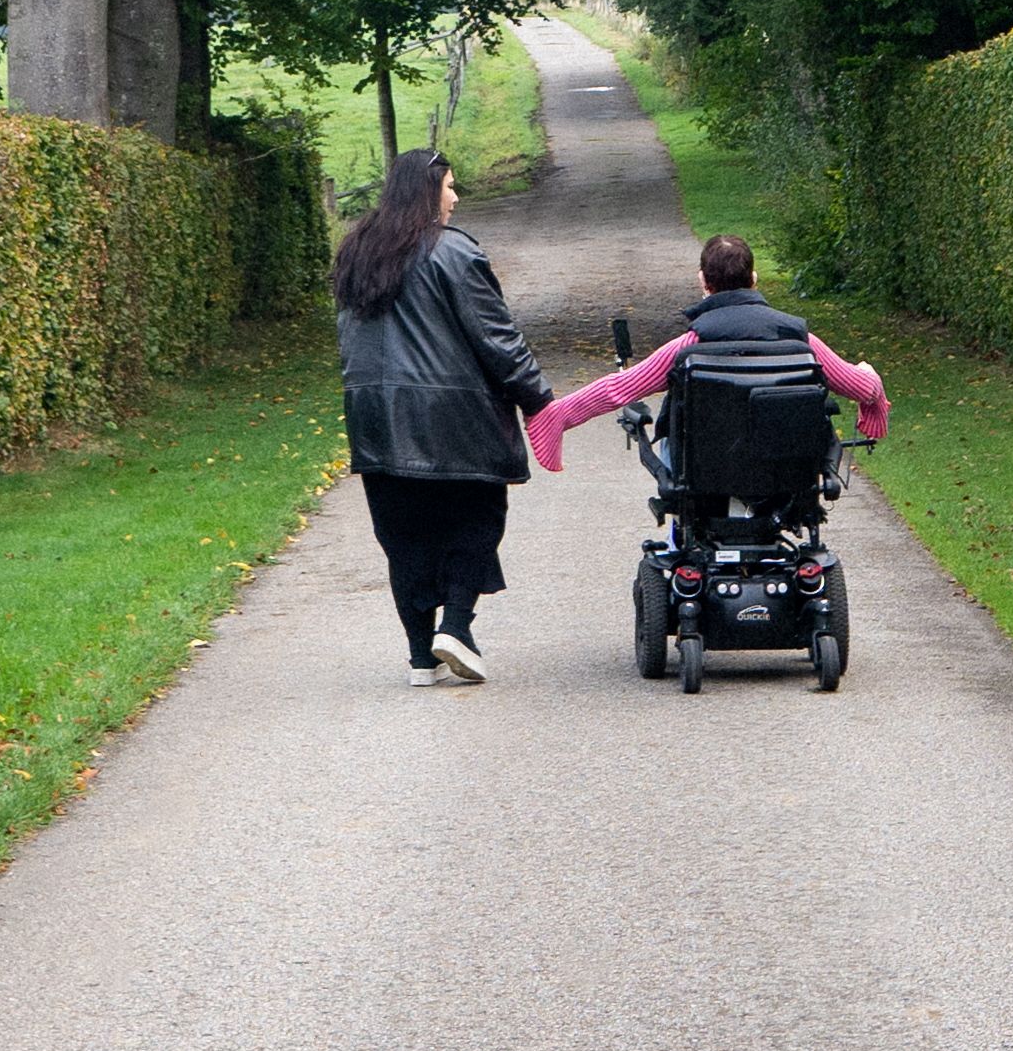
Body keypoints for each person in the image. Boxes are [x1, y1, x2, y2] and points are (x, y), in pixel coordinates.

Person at [333, 146, 551, 684]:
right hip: (452, 417)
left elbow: (347, 339)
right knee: (477, 518)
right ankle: (455, 624)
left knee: (403, 535)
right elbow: (497, 338)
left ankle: (419, 657)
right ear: (428, 191)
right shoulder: (453, 253)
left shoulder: (355, 251)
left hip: (374, 417)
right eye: (450, 186)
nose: (455, 197)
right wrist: (538, 399)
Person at [525, 231, 887, 467]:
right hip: (786, 467)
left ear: (703, 281)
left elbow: (618, 389)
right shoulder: (799, 339)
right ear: (754, 279)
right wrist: (871, 383)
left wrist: (557, 415)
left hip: (703, 469)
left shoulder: (690, 347)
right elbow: (862, 387)